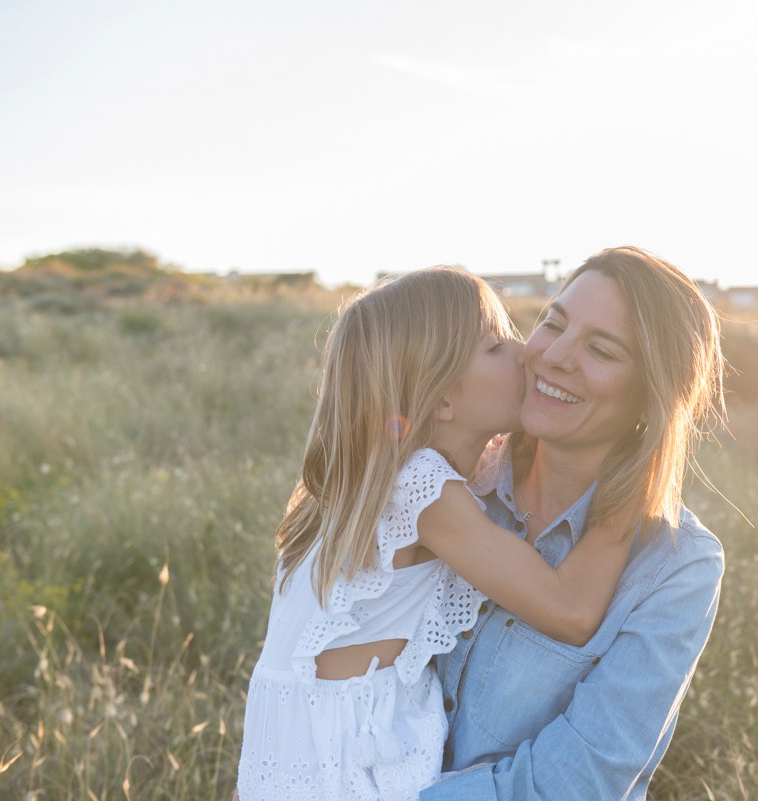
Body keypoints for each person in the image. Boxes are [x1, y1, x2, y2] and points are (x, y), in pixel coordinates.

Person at [235, 267, 634, 801]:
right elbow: (570, 612)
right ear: (442, 401)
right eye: (495, 346)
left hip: (294, 751)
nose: (524, 351)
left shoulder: (377, 477)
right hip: (345, 766)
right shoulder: (421, 487)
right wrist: (630, 489)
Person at [422, 246, 727, 800]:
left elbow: (576, 783)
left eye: (601, 350)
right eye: (553, 323)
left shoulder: (675, 566)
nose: (555, 356)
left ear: (649, 397)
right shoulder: (451, 481)